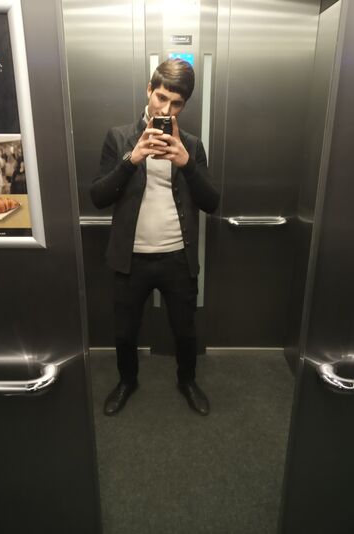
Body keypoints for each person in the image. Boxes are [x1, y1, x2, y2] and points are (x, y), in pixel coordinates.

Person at [91, 59, 219, 416]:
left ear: (184, 106)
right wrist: (131, 160)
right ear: (149, 90)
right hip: (130, 258)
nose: (166, 109)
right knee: (125, 331)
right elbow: (98, 196)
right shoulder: (119, 138)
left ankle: (187, 381)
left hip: (177, 257)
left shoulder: (191, 145)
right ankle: (127, 381)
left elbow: (212, 202)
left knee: (184, 329)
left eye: (176, 104)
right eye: (161, 97)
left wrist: (187, 164)